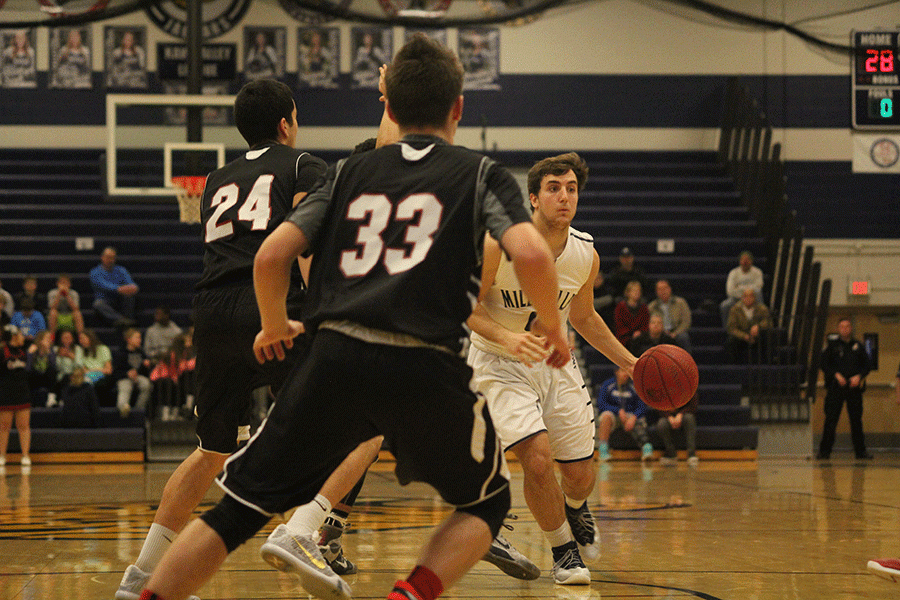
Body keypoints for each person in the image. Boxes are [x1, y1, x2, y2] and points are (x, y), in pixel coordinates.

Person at [139, 33, 570, 600]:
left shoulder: (347, 173)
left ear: (388, 105)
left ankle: (148, 590)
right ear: (458, 109)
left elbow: (271, 254)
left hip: (334, 355)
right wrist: (555, 328)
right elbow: (534, 254)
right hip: (421, 362)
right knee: (485, 504)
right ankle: (390, 582)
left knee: (235, 510)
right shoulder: (479, 172)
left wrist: (273, 324)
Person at [114, 78, 330, 600]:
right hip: (272, 301)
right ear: (286, 123)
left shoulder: (215, 179)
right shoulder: (305, 166)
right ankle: (301, 533)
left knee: (210, 449)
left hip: (211, 310)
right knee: (332, 425)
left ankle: (140, 574)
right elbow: (301, 245)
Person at [467, 152, 637, 585]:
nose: (564, 197)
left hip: (555, 361)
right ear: (533, 198)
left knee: (579, 476)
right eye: (554, 189)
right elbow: (460, 305)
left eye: (571, 189)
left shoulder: (585, 253)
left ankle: (576, 508)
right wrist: (506, 337)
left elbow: (583, 317)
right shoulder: (496, 244)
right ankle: (564, 553)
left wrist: (629, 362)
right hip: (498, 360)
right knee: (538, 460)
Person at [816, 317, 872, 460]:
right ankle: (824, 452)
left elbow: (867, 365)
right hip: (836, 388)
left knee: (856, 420)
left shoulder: (858, 346)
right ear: (838, 329)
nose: (845, 329)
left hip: (854, 389)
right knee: (831, 420)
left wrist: (859, 376)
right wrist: (836, 375)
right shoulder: (832, 346)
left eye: (847, 326)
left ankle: (860, 452)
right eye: (842, 327)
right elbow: (823, 364)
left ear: (851, 328)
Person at [596, 367, 653, 462]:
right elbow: (601, 404)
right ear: (616, 372)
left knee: (640, 419)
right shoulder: (608, 384)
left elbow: (642, 406)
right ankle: (603, 450)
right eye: (622, 371)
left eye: (627, 371)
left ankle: (647, 448)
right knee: (605, 416)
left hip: (630, 416)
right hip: (614, 416)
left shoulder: (634, 386)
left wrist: (633, 417)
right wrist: (617, 410)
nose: (625, 374)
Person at [0, 325, 31, 467]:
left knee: (24, 426)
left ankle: (25, 456)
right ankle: (2, 456)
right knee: (4, 427)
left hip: (22, 392)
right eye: (19, 334)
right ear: (13, 337)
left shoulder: (24, 351)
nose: (22, 336)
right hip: (5, 393)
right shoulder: (1, 352)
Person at [149, 334, 195, 421]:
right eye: (188, 341)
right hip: (160, 378)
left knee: (187, 379)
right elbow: (169, 369)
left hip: (171, 377)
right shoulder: (172, 354)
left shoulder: (185, 353)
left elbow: (183, 367)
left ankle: (184, 408)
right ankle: (166, 413)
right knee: (170, 384)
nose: (190, 342)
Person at [90, 247, 139, 327]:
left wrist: (133, 288)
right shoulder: (95, 272)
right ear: (102, 257)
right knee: (97, 304)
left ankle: (127, 319)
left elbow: (131, 284)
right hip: (105, 301)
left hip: (120, 300)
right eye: (108, 257)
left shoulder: (121, 270)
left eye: (112, 258)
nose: (110, 260)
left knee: (130, 295)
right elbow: (104, 286)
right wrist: (118, 289)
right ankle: (122, 320)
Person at [113, 328, 152, 418]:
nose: (140, 340)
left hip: (138, 377)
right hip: (124, 378)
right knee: (125, 388)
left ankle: (139, 409)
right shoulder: (121, 353)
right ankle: (123, 407)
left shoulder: (141, 352)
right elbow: (115, 373)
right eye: (137, 338)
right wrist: (127, 374)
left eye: (140, 338)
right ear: (129, 339)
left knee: (147, 385)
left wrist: (146, 366)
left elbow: (145, 371)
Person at [726, 288, 771, 364]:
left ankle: (767, 363)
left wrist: (758, 327)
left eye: (751, 296)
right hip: (742, 335)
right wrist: (744, 336)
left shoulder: (762, 308)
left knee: (768, 336)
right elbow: (732, 328)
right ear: (742, 298)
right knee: (731, 341)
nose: (748, 299)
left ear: (754, 298)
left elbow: (768, 321)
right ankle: (733, 365)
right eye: (746, 296)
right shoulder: (735, 309)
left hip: (757, 335)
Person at [720, 250, 764, 327]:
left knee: (760, 299)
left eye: (747, 260)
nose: (745, 262)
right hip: (737, 299)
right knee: (724, 306)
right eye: (743, 260)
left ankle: (759, 327)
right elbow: (730, 291)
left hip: (753, 299)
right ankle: (727, 329)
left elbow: (758, 288)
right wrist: (746, 292)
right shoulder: (733, 273)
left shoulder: (757, 272)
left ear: (751, 261)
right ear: (740, 261)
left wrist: (740, 288)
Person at [647, 279, 692, 353]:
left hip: (676, 332)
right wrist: (660, 332)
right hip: (660, 333)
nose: (663, 291)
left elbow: (686, 321)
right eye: (660, 289)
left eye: (665, 288)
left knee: (683, 337)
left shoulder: (680, 303)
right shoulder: (652, 306)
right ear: (656, 291)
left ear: (670, 289)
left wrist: (675, 333)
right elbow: (649, 323)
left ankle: (686, 363)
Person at [656, 393, 698, 466]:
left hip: (684, 415)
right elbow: (658, 405)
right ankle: (671, 454)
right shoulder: (662, 385)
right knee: (661, 424)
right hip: (668, 417)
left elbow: (693, 405)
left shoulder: (688, 384)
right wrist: (669, 417)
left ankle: (691, 454)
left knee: (689, 418)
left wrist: (680, 414)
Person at [78, 329, 114, 406]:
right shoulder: (81, 352)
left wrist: (95, 370)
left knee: (87, 381)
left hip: (102, 376)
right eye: (80, 339)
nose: (81, 341)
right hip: (88, 376)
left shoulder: (103, 349)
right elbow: (83, 370)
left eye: (83, 338)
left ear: (90, 338)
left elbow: (108, 370)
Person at [26, 330, 58, 407]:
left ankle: (51, 397)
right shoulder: (32, 349)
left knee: (52, 371)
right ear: (40, 340)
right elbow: (28, 369)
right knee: (30, 373)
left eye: (50, 338)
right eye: (47, 338)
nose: (49, 340)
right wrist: (30, 354)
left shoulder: (51, 351)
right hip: (34, 378)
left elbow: (53, 366)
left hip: (46, 378)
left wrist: (48, 353)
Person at [614, 280, 649, 345]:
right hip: (624, 339)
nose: (637, 293)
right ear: (628, 293)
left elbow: (645, 325)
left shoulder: (643, 307)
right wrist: (631, 334)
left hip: (640, 339)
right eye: (634, 291)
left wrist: (640, 333)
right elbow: (619, 326)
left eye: (638, 291)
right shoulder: (620, 307)